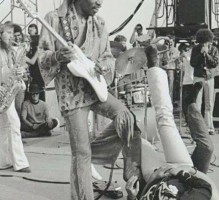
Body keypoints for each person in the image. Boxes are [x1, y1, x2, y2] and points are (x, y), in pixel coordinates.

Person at [38, 0, 141, 199]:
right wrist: (58, 56)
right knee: (81, 154)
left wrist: (104, 65)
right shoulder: (54, 19)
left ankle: (128, 174)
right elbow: (41, 57)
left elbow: (107, 56)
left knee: (127, 118)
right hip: (71, 94)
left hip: (95, 88)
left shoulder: (100, 23)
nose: (100, 2)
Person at [125, 45, 219, 200]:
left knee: (136, 141)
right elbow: (208, 186)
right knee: (165, 119)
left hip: (156, 176)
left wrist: (133, 196)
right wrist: (184, 171)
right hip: (183, 168)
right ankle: (153, 68)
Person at [0, 22, 30, 173]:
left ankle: (4, 161)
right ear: (0, 34)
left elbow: (20, 69)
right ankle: (20, 163)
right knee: (14, 123)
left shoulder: (11, 51)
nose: (12, 36)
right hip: (1, 90)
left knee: (5, 127)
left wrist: (21, 71)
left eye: (13, 33)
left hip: (7, 91)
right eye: (9, 33)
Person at [190, 29, 219, 135]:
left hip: (209, 77)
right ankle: (197, 127)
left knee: (209, 103)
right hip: (198, 77)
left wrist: (207, 54)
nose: (206, 44)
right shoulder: (195, 49)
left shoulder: (214, 49)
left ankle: (209, 126)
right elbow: (193, 63)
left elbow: (214, 63)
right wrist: (200, 54)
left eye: (207, 42)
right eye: (204, 42)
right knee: (197, 103)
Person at [13, 24, 30, 118]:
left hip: (20, 81)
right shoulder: (7, 49)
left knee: (18, 107)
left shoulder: (22, 48)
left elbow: (25, 64)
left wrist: (24, 68)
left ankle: (18, 130)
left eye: (19, 35)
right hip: (9, 80)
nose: (17, 38)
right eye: (15, 36)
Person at [161, 35, 179, 101]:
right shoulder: (164, 49)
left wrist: (168, 51)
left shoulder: (175, 50)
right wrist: (166, 49)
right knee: (164, 85)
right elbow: (163, 59)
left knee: (171, 86)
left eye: (171, 43)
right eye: (168, 42)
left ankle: (170, 100)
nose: (170, 44)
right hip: (164, 69)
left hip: (171, 69)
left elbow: (170, 59)